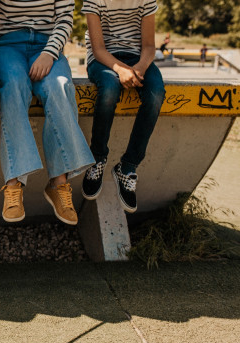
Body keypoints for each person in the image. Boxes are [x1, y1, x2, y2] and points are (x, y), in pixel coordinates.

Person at [0, 0, 95, 225]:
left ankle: (59, 183)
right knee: (13, 86)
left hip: (47, 45)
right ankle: (14, 182)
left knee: (59, 87)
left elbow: (65, 19)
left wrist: (49, 53)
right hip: (6, 46)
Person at [81, 0, 165, 213]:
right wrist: (120, 70)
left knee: (155, 95)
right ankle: (97, 159)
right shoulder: (95, 1)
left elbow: (148, 46)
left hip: (138, 58)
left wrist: (139, 68)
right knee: (109, 89)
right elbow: (98, 49)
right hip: (102, 59)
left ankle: (127, 167)